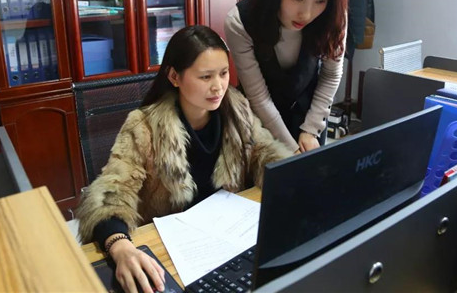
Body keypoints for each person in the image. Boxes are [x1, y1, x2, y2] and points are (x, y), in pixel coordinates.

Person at [75, 25, 293, 293]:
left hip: (229, 243)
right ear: (174, 77)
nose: (218, 86)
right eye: (205, 76)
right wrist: (120, 247)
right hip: (172, 254)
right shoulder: (145, 126)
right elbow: (110, 193)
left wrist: (298, 178)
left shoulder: (237, 109)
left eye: (224, 73)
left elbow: (265, 152)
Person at [224, 0, 349, 154]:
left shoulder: (334, 16)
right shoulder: (241, 21)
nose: (306, 14)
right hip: (260, 121)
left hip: (311, 115)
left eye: (320, 0)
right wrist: (290, 149)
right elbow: (258, 96)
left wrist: (311, 129)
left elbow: (331, 74)